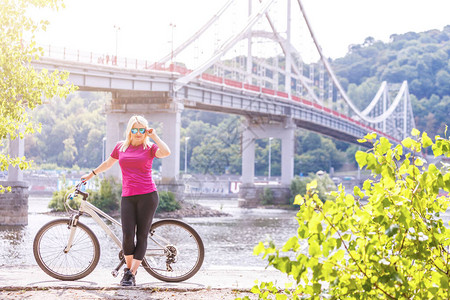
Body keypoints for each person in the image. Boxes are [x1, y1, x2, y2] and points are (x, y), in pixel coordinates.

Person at [81, 115, 171, 286]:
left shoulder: (150, 147)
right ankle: (129, 271)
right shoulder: (120, 147)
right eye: (135, 130)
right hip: (128, 197)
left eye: (141, 130)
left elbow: (166, 152)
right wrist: (91, 175)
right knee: (128, 235)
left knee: (141, 234)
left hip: (148, 196)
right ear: (129, 130)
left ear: (145, 131)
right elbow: (108, 164)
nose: (138, 133)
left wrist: (155, 136)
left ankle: (130, 274)